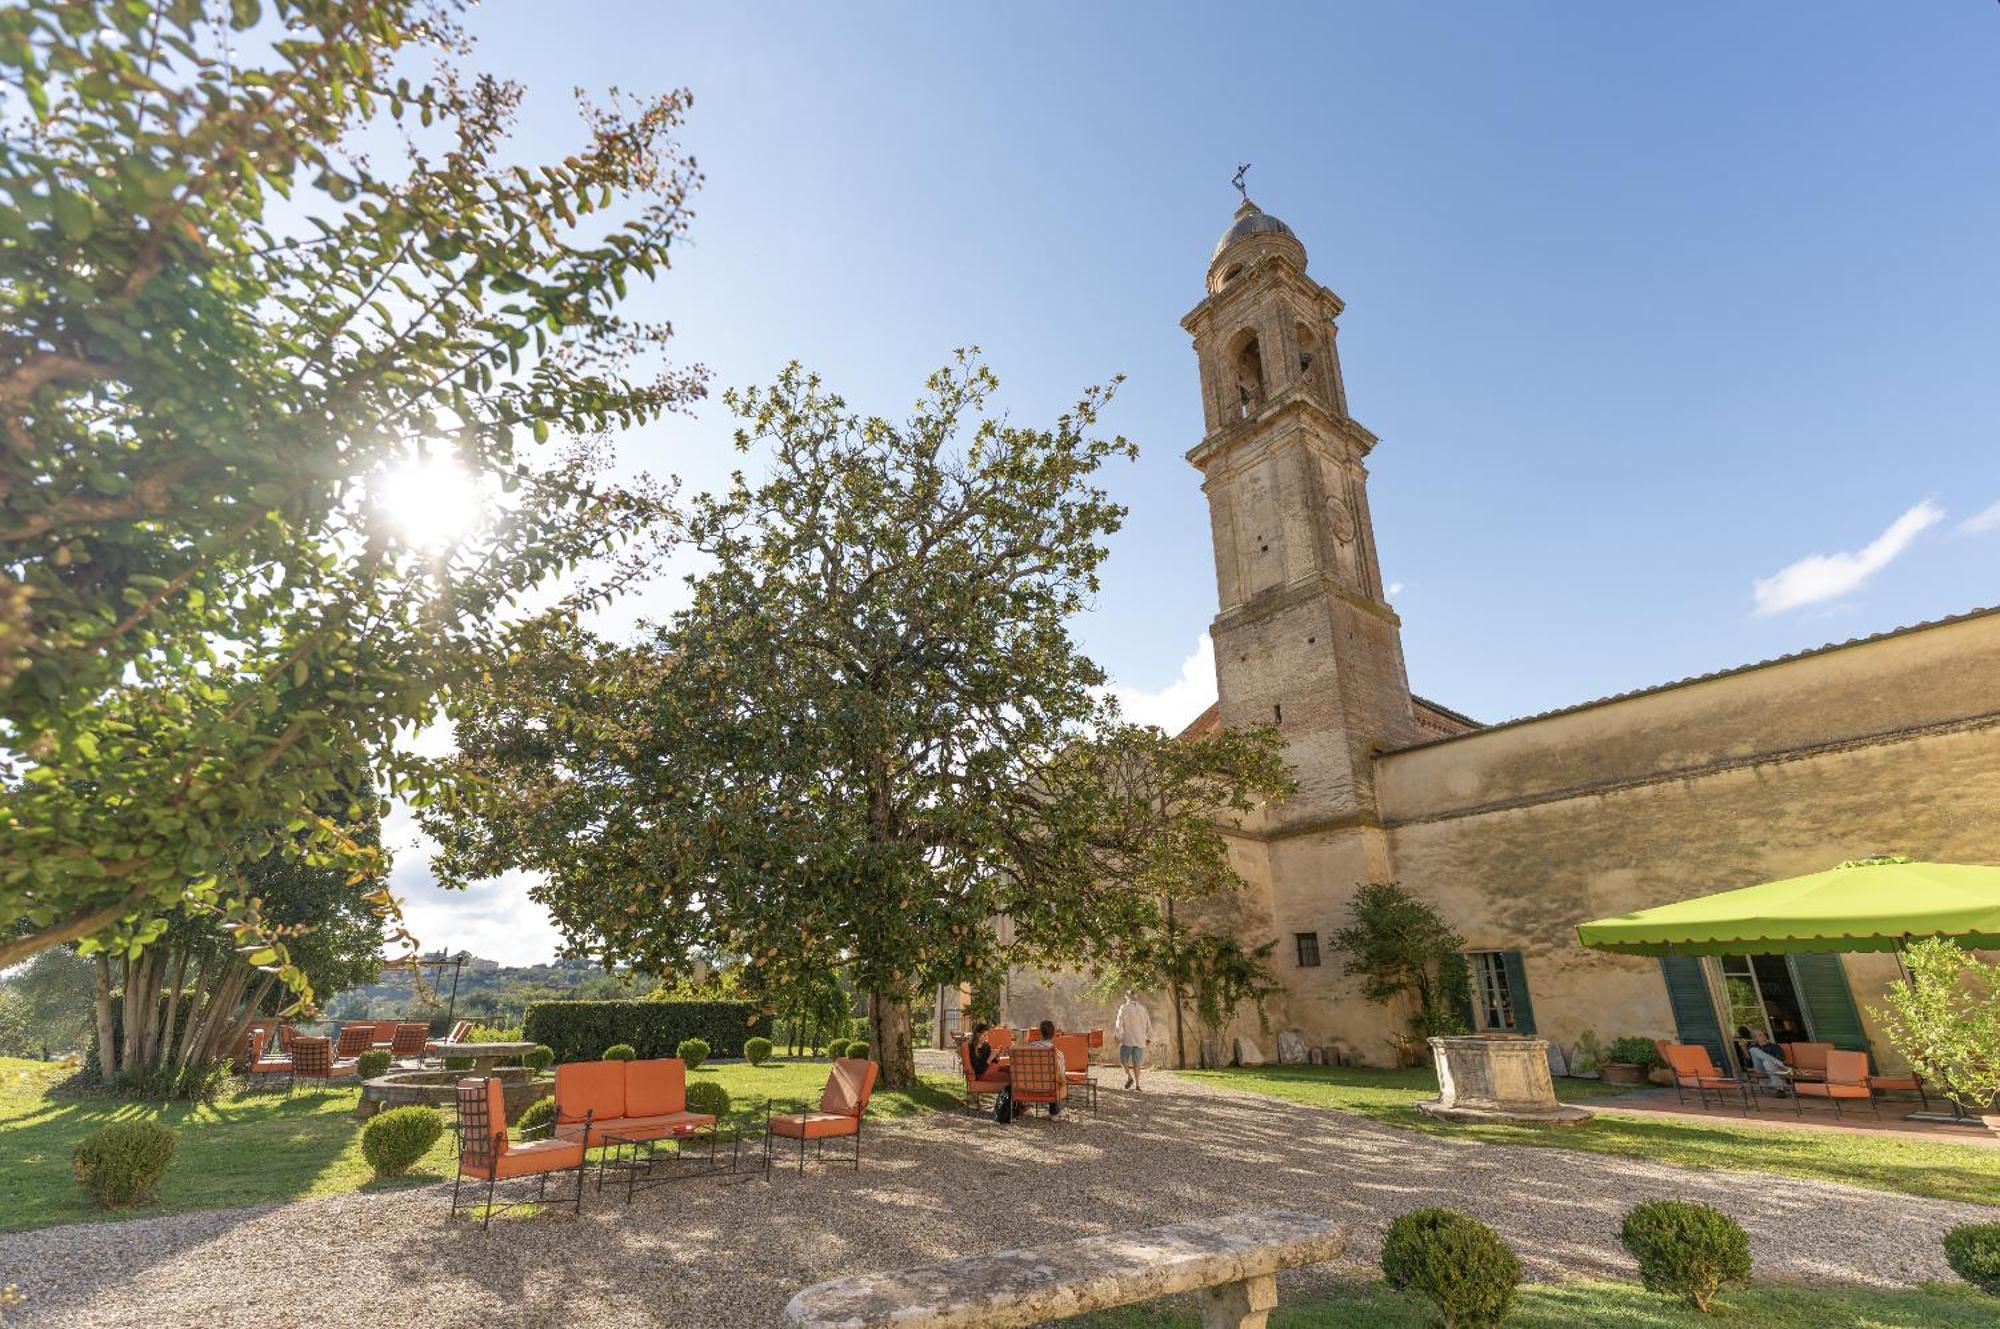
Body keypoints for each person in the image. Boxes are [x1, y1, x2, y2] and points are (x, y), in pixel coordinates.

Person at [1735, 1025, 1792, 1094]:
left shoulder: (1774, 1046)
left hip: (1775, 1067)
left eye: (1760, 1035)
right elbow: (1749, 1063)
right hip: (1760, 1068)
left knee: (1766, 1063)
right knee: (1753, 1049)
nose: (1757, 1037)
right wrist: (1743, 1048)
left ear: (1765, 1036)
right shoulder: (1753, 1047)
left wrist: (1768, 1060)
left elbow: (1781, 1058)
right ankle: (1778, 1084)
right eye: (1755, 1036)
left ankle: (1779, 1086)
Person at [1112, 990, 1151, 1091]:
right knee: (1137, 1063)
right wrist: (1148, 1037)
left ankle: (1129, 1076)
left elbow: (1119, 1022)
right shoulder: (1143, 1009)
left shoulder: (1124, 1008)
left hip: (1127, 1039)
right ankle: (1137, 1084)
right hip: (1140, 1039)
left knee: (1123, 1059)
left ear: (1127, 997)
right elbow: (1148, 1024)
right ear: (1136, 997)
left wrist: (1118, 1036)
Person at [1026, 1018, 1065, 1117]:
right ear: (1053, 1034)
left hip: (1029, 1085)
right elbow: (1060, 1074)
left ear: (1040, 1033)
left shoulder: (1028, 1049)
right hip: (1049, 1087)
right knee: (1057, 1079)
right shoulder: (1058, 1054)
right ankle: (1054, 1112)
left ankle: (1026, 1107)